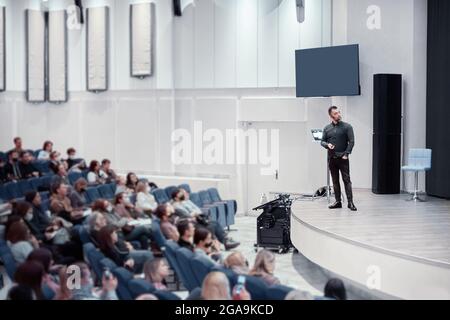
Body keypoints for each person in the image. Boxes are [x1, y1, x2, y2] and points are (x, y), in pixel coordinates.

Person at [171, 188, 240, 250]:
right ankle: (212, 244)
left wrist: (195, 214)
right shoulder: (176, 206)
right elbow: (188, 216)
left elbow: (198, 210)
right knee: (211, 226)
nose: (184, 195)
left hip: (196, 219)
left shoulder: (184, 202)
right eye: (181, 194)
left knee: (214, 223)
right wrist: (194, 214)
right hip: (191, 223)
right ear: (176, 198)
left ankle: (226, 240)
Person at [321, 106, 357, 212]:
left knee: (347, 180)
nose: (338, 114)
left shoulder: (347, 127)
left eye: (339, 112)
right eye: (336, 113)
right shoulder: (327, 128)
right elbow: (322, 141)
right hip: (332, 158)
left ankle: (350, 202)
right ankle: (338, 202)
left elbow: (352, 141)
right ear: (331, 115)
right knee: (335, 181)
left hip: (343, 158)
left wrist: (347, 153)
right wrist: (327, 145)